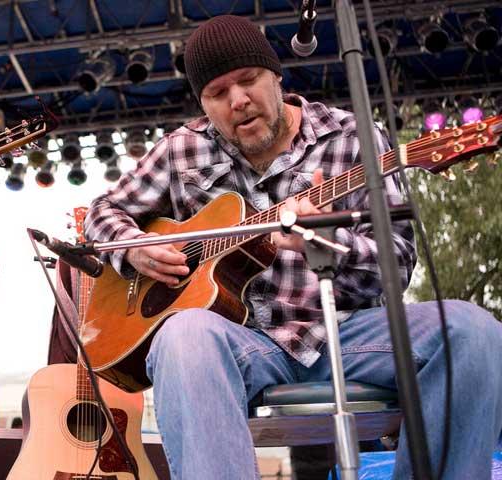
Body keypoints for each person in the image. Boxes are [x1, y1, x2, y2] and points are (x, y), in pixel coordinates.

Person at [83, 15, 502, 480]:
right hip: (244, 342)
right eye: (218, 93)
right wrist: (135, 247)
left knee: (473, 331)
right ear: (203, 104)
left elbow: (398, 262)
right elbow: (102, 215)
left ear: (276, 77)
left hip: (346, 335)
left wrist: (324, 244)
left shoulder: (352, 136)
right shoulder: (183, 149)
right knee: (182, 336)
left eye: (248, 80)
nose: (238, 100)